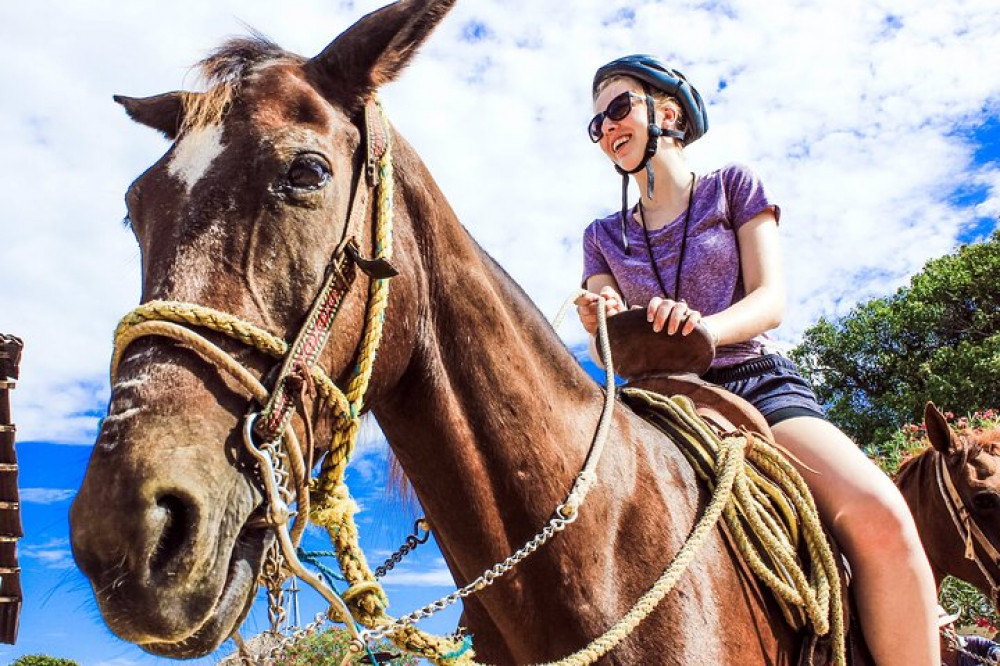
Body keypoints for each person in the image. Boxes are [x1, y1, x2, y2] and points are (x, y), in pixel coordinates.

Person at [575, 54, 940, 665]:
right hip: (652, 402)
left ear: (666, 112)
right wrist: (599, 322)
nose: (607, 128)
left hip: (756, 385)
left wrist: (705, 328)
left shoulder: (733, 186)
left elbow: (771, 302)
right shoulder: (602, 236)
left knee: (882, 517)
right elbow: (603, 340)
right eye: (596, 125)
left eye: (617, 108)